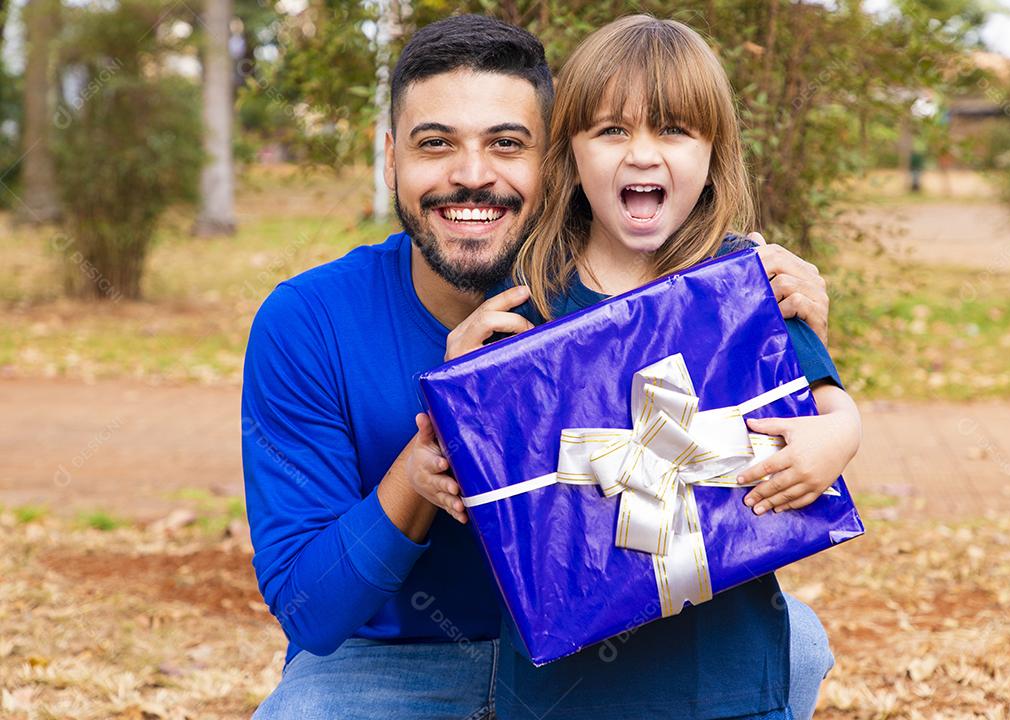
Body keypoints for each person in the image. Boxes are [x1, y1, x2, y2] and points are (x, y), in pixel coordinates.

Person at [243, 14, 833, 719]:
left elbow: (767, 422)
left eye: (506, 144)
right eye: (436, 145)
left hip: (607, 642)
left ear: (555, 158)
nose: (471, 175)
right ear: (390, 154)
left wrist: (777, 325)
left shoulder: (644, 293)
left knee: (794, 642)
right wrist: (424, 459)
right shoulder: (309, 321)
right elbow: (310, 611)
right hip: (404, 658)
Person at [409, 16, 860, 720]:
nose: (642, 154)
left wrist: (835, 441)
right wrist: (465, 405)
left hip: (728, 682)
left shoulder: (748, 283)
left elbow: (835, 407)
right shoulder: (528, 297)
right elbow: (495, 484)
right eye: (612, 131)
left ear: (715, 152)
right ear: (571, 153)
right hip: (562, 696)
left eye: (674, 130)